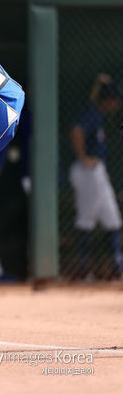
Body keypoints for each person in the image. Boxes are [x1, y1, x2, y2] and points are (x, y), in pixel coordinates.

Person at [69, 73, 122, 280]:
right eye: (115, 100)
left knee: (112, 219)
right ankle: (83, 270)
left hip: (97, 172)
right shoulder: (92, 113)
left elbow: (95, 98)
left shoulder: (97, 112)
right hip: (88, 172)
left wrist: (100, 83)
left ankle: (117, 268)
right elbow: (76, 131)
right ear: (108, 100)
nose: (117, 104)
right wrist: (83, 157)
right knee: (86, 219)